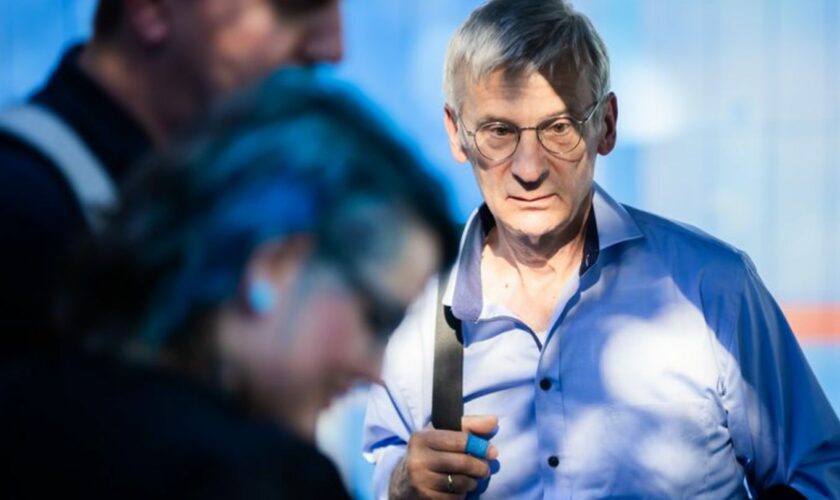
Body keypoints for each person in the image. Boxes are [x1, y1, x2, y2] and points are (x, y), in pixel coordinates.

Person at [363, 0, 840, 498]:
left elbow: (820, 475)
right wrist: (401, 486)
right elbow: (381, 474)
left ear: (606, 125)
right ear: (457, 133)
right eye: (499, 131)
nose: (529, 168)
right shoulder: (411, 319)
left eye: (559, 127)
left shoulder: (712, 288)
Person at [0, 69, 458, 499]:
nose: (376, 372)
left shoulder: (23, 407)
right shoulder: (262, 478)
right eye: (377, 320)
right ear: (273, 268)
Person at [0, 0, 343, 354]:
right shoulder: (21, 210)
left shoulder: (218, 200)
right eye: (296, 6)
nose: (334, 47)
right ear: (151, 9)